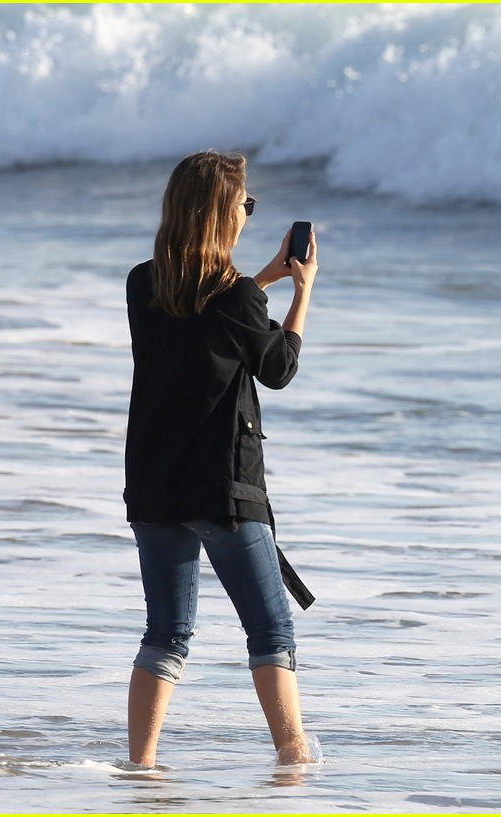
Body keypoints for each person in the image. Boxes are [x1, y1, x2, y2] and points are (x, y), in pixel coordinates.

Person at [123, 150, 318, 767]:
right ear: (218, 215)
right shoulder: (234, 299)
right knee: (270, 630)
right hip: (222, 489)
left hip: (155, 486)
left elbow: (203, 329)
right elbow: (279, 367)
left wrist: (259, 283)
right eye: (244, 204)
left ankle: (142, 763)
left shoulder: (142, 283)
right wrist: (301, 291)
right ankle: (292, 755)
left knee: (167, 634)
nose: (246, 212)